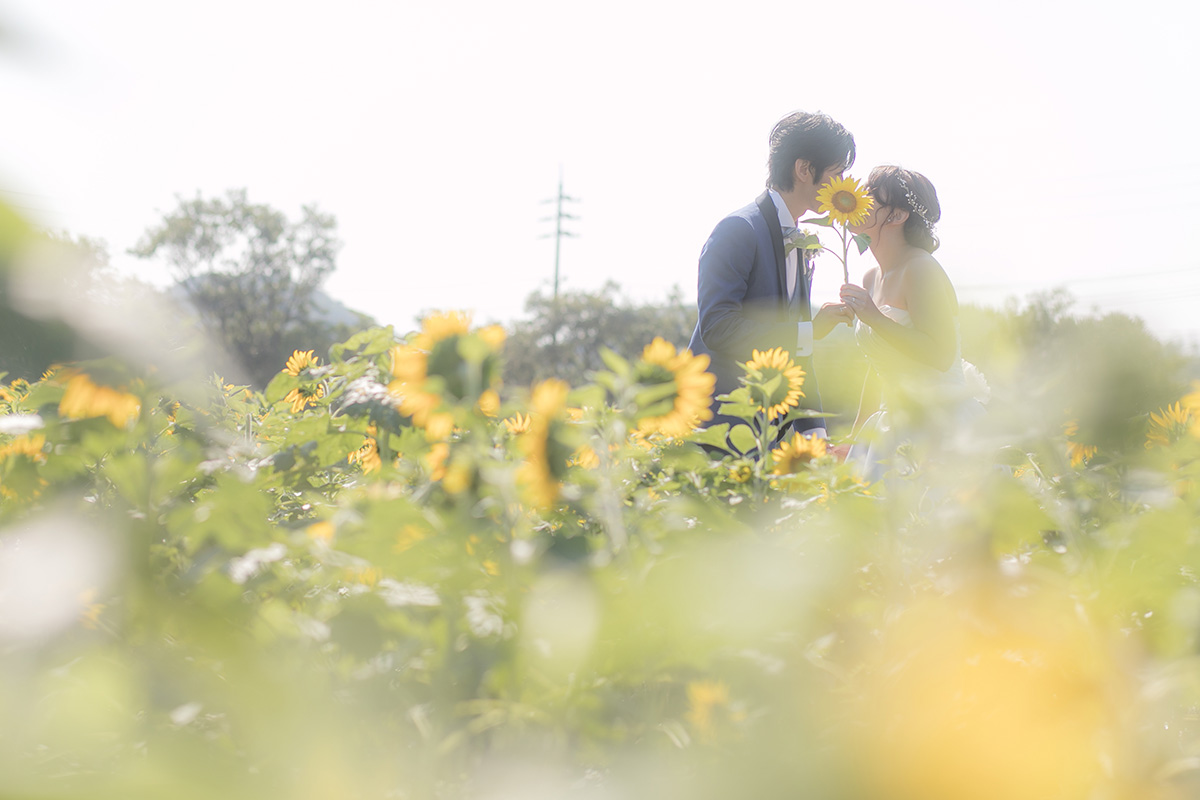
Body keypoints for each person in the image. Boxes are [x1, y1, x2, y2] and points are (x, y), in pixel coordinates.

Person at [687, 111, 855, 442]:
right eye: (836, 173)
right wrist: (809, 331)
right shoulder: (738, 230)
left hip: (769, 437)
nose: (841, 186)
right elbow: (718, 327)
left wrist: (814, 434)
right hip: (719, 431)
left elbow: (798, 352)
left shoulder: (800, 242)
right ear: (805, 169)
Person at [838, 166, 987, 480]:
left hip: (937, 422)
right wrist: (854, 440)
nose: (857, 200)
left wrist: (875, 318)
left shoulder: (921, 269)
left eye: (869, 197)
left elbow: (940, 354)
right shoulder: (870, 277)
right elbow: (877, 365)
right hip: (890, 422)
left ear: (897, 216)